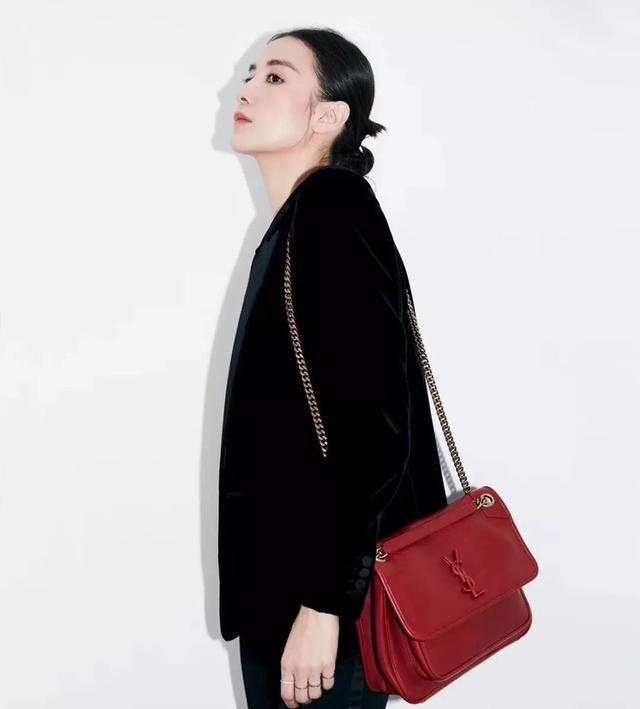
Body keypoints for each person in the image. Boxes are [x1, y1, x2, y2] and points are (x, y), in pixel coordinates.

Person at [220, 27, 448, 708]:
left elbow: (375, 428)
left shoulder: (331, 209)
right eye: (251, 73)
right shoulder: (298, 220)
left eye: (275, 77)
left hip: (323, 607)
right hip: (295, 595)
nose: (245, 88)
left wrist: (324, 606)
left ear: (329, 116)